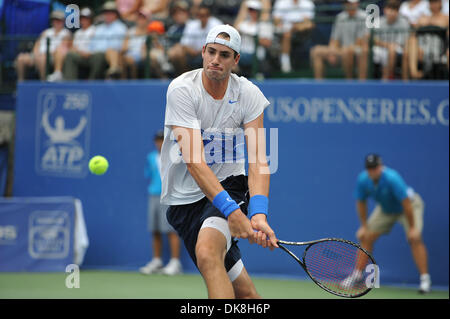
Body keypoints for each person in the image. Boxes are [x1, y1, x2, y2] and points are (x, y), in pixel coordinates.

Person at [160, 24, 278, 299]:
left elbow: (259, 160)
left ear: (236, 60)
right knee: (246, 295)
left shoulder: (248, 94)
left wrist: (258, 213)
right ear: (202, 52)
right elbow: (194, 161)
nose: (216, 59)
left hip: (229, 185)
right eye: (211, 52)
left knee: (207, 253)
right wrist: (234, 214)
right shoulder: (181, 90)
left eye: (225, 55)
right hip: (183, 201)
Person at [347, 154, 431, 293]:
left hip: (409, 207)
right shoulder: (363, 179)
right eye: (370, 169)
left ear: (381, 167)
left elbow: (407, 204)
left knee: (414, 238)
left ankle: (425, 280)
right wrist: (364, 226)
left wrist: (412, 228)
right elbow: (361, 203)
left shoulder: (392, 178)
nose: (372, 171)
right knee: (365, 236)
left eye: (375, 168)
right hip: (386, 209)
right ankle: (357, 276)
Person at [140, 130, 183, 275]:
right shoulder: (151, 157)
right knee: (155, 229)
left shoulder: (175, 156)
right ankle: (157, 261)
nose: (160, 143)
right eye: (157, 140)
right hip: (153, 195)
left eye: (162, 140)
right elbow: (149, 175)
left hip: (169, 196)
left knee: (170, 230)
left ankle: (175, 263)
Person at [63, 1, 128, 80]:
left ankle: (92, 82)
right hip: (91, 54)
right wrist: (86, 52)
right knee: (70, 55)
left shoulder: (121, 27)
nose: (108, 15)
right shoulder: (98, 28)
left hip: (109, 55)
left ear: (115, 14)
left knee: (99, 56)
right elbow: (91, 44)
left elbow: (118, 46)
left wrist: (95, 52)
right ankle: (70, 84)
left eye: (111, 13)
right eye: (106, 13)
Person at [309, 0, 368, 80]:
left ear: (357, 4)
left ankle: (350, 82)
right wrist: (331, 51)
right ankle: (319, 85)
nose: (349, 5)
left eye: (351, 3)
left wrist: (348, 49)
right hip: (342, 50)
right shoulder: (340, 17)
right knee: (316, 51)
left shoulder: (365, 16)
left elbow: (363, 39)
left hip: (358, 49)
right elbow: (334, 40)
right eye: (347, 3)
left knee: (349, 51)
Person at [167, 3, 222, 76]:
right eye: (200, 15)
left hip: (211, 53)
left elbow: (219, 45)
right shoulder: (192, 25)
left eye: (205, 15)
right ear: (198, 16)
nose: (203, 17)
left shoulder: (216, 24)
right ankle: (184, 76)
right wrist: (194, 52)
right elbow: (184, 44)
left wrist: (202, 51)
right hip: (193, 53)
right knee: (176, 53)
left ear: (209, 16)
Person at [15, 11, 70, 81]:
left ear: (63, 21)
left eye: (59, 20)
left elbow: (62, 49)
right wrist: (36, 53)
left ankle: (43, 83)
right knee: (21, 58)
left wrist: (45, 54)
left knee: (42, 59)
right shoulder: (45, 32)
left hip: (51, 57)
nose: (56, 22)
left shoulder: (66, 34)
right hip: (38, 55)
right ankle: (21, 83)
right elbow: (37, 44)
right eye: (55, 20)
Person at [47, 7, 96, 82]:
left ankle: (69, 82)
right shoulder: (78, 32)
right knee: (68, 54)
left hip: (90, 56)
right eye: (82, 18)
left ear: (91, 19)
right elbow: (73, 46)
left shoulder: (95, 30)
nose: (84, 20)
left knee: (70, 55)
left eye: (86, 18)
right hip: (78, 55)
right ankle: (60, 77)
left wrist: (83, 52)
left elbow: (95, 48)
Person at [407, 0, 449, 79]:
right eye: (431, 2)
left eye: (435, 2)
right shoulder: (423, 18)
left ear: (440, 3)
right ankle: (414, 73)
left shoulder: (446, 18)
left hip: (438, 47)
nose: (433, 5)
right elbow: (414, 34)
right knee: (412, 40)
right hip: (421, 46)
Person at [273, 0, 315, 73]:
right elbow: (276, 21)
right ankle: (285, 64)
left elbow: (308, 22)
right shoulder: (281, 2)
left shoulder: (308, 3)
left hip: (302, 32)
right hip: (284, 30)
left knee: (309, 25)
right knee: (287, 34)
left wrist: (295, 26)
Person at [372, 0, 410, 80]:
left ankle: (389, 77)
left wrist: (390, 46)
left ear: (398, 12)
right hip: (380, 48)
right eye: (390, 9)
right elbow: (374, 39)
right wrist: (387, 45)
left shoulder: (403, 22)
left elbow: (402, 42)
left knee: (392, 50)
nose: (391, 12)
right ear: (385, 10)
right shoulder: (378, 21)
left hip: (399, 49)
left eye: (394, 10)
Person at [234, 0, 274, 77]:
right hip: (242, 53)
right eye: (250, 10)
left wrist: (254, 37)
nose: (252, 12)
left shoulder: (264, 25)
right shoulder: (243, 24)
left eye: (254, 10)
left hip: (257, 55)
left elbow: (268, 43)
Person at [121, 10, 149, 79]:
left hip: (142, 55)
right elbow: (124, 48)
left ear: (147, 20)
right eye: (139, 18)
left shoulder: (150, 32)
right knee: (124, 59)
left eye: (143, 18)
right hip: (129, 55)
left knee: (130, 60)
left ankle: (133, 82)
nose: (141, 21)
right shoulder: (130, 32)